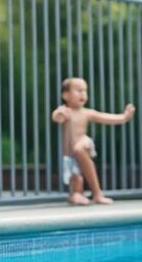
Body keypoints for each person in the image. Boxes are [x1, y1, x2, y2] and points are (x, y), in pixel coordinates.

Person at [51, 77, 135, 206]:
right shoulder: (66, 112)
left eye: (85, 91)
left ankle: (97, 194)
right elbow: (57, 117)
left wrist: (124, 117)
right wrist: (60, 114)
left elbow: (107, 118)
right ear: (65, 95)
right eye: (79, 90)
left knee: (79, 149)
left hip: (83, 144)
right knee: (76, 177)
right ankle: (77, 195)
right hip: (70, 155)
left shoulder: (86, 113)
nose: (83, 94)